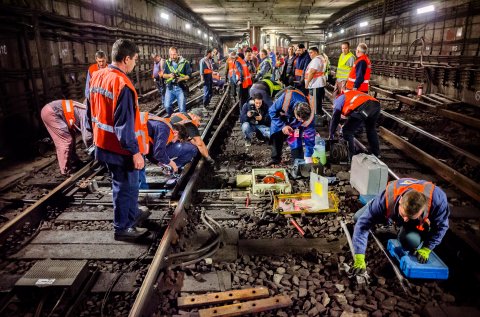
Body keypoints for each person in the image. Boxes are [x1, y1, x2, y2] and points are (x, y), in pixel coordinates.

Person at [87, 39, 150, 241]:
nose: (135, 64)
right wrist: (135, 152)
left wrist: (92, 136)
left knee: (127, 184)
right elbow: (124, 125)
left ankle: (132, 214)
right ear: (126, 59)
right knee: (124, 186)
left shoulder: (97, 76)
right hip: (118, 146)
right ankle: (123, 227)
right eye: (135, 60)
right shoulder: (122, 84)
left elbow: (89, 110)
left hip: (102, 141)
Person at [351, 178, 450, 275]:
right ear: (400, 201)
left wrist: (427, 248)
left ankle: (406, 227)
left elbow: (441, 227)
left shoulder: (438, 200)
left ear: (423, 209)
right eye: (403, 215)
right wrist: (359, 256)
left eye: (410, 217)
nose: (405, 219)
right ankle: (379, 210)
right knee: (358, 218)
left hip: (414, 221)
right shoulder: (386, 198)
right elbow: (362, 226)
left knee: (411, 241)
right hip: (389, 204)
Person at [41, 100, 92, 175]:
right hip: (52, 113)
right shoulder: (86, 114)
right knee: (65, 141)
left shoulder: (86, 109)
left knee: (71, 137)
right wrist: (95, 153)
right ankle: (65, 170)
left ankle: (74, 161)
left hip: (54, 112)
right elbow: (88, 137)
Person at [268, 88, 315, 166]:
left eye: (303, 120)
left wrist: (308, 155)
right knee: (276, 135)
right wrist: (283, 126)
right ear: (295, 112)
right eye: (300, 119)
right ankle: (275, 159)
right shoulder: (286, 98)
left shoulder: (310, 115)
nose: (302, 121)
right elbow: (272, 111)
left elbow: (310, 135)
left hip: (294, 123)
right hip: (280, 117)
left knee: (295, 139)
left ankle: (298, 162)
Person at [329, 91, 381, 159]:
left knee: (347, 131)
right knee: (371, 129)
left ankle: (351, 156)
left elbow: (335, 119)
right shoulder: (349, 95)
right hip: (376, 105)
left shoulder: (338, 101)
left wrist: (331, 135)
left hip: (365, 107)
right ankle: (376, 153)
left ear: (335, 98)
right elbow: (353, 112)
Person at [163, 46, 192, 116]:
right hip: (170, 88)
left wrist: (181, 79)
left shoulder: (185, 62)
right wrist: (169, 76)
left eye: (174, 54)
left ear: (178, 53)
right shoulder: (167, 63)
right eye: (171, 54)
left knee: (182, 109)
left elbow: (189, 75)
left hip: (180, 88)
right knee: (167, 106)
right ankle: (173, 118)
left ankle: (182, 124)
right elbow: (163, 75)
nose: (172, 56)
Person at [304, 47, 326, 116]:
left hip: (315, 84)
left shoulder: (316, 60)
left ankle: (317, 117)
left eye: (311, 52)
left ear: (316, 52)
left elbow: (312, 72)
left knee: (315, 103)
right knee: (318, 102)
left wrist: (307, 83)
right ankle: (319, 115)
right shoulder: (320, 58)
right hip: (318, 84)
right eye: (309, 53)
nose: (310, 54)